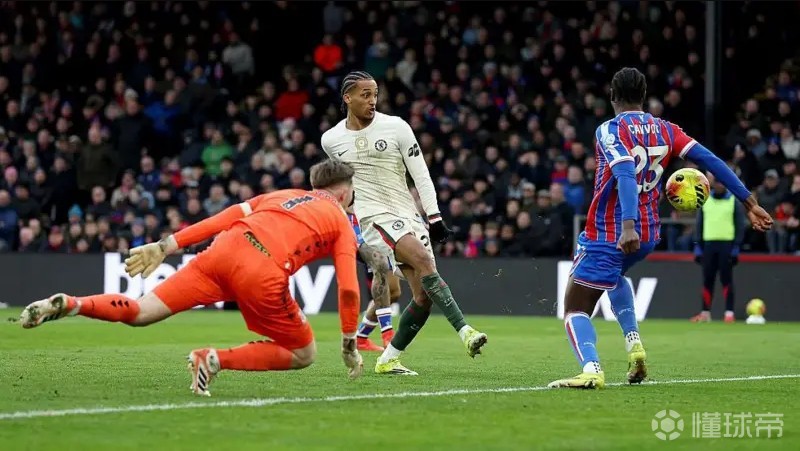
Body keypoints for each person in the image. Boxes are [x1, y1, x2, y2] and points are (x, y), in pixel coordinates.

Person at [20, 160, 365, 396]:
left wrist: (167, 245)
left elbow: (224, 217)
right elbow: (349, 289)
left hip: (222, 250)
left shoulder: (282, 194)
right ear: (343, 192)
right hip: (261, 270)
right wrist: (349, 342)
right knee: (304, 353)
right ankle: (215, 359)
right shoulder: (341, 222)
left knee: (140, 312)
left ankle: (74, 303)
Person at [549, 67, 773, 390]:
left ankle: (591, 369)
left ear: (612, 96)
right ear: (643, 96)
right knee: (615, 277)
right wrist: (749, 202)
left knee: (573, 309)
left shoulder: (609, 130)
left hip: (612, 232)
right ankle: (634, 345)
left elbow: (626, 172)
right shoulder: (666, 129)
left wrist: (627, 225)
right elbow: (711, 161)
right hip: (648, 234)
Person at [321, 71, 487, 376]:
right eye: (365, 95)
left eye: (375, 94)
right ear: (347, 98)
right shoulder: (331, 140)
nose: (372, 100)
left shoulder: (396, 127)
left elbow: (420, 172)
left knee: (423, 296)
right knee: (424, 261)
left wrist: (434, 216)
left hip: (407, 214)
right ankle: (466, 332)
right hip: (373, 217)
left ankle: (389, 358)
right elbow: (342, 184)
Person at [691, 173, 745, 323]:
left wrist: (736, 246)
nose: (720, 185)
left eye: (722, 182)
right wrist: (698, 246)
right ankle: (705, 313)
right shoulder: (705, 200)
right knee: (707, 280)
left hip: (726, 245)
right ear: (714, 183)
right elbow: (699, 225)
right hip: (708, 245)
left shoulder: (733, 201)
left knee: (726, 280)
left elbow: (740, 225)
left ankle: (729, 313)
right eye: (717, 182)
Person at [348, 206, 403, 352]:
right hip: (357, 225)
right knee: (379, 261)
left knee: (394, 292)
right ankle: (388, 334)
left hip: (381, 224)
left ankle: (361, 338)